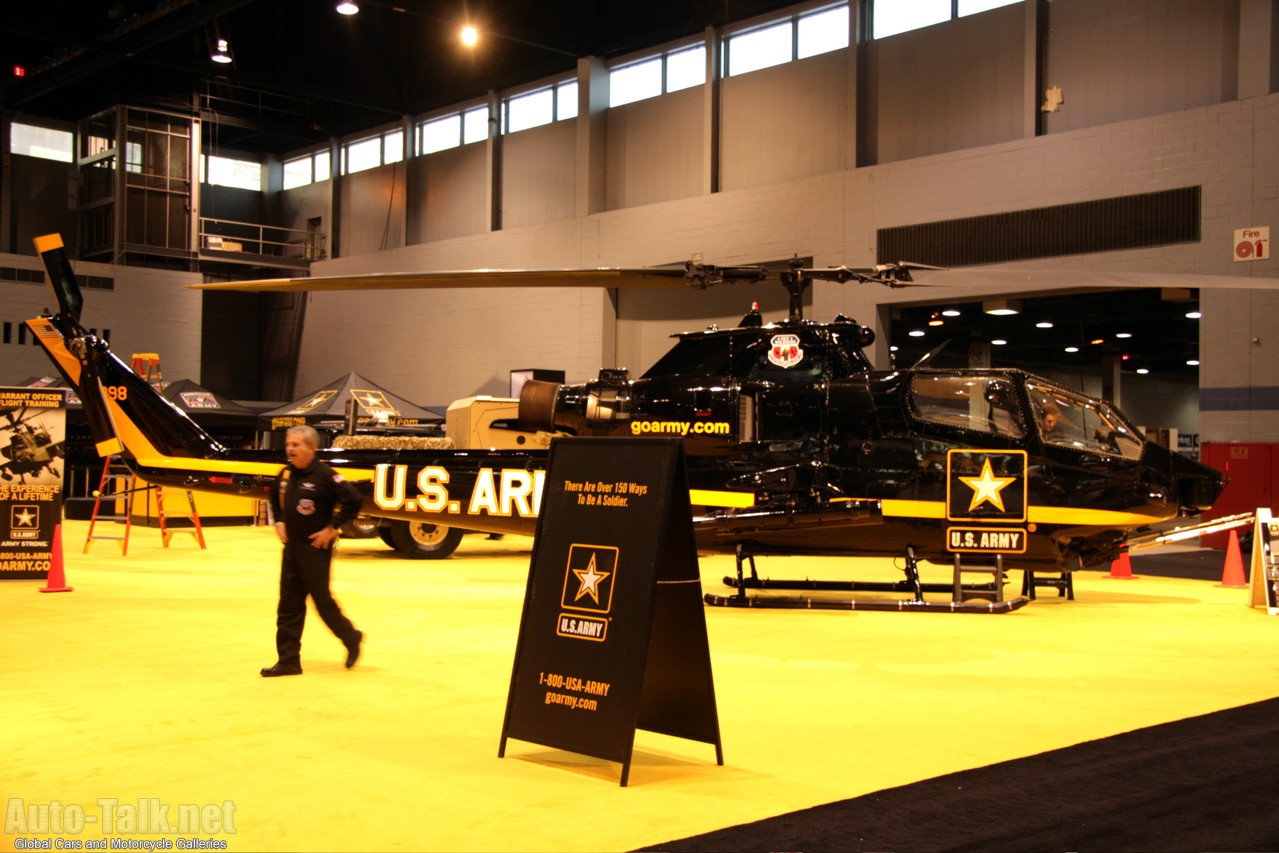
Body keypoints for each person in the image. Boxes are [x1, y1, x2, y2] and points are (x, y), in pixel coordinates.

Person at [261, 425, 364, 677]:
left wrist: (332, 528)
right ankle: (288, 661)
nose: (290, 449)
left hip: (315, 551)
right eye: (288, 444)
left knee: (322, 603)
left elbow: (354, 501)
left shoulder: (326, 476)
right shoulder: (285, 475)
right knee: (288, 606)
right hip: (291, 550)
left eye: (296, 445)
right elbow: (274, 500)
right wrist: (280, 522)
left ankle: (350, 636)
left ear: (311, 448)